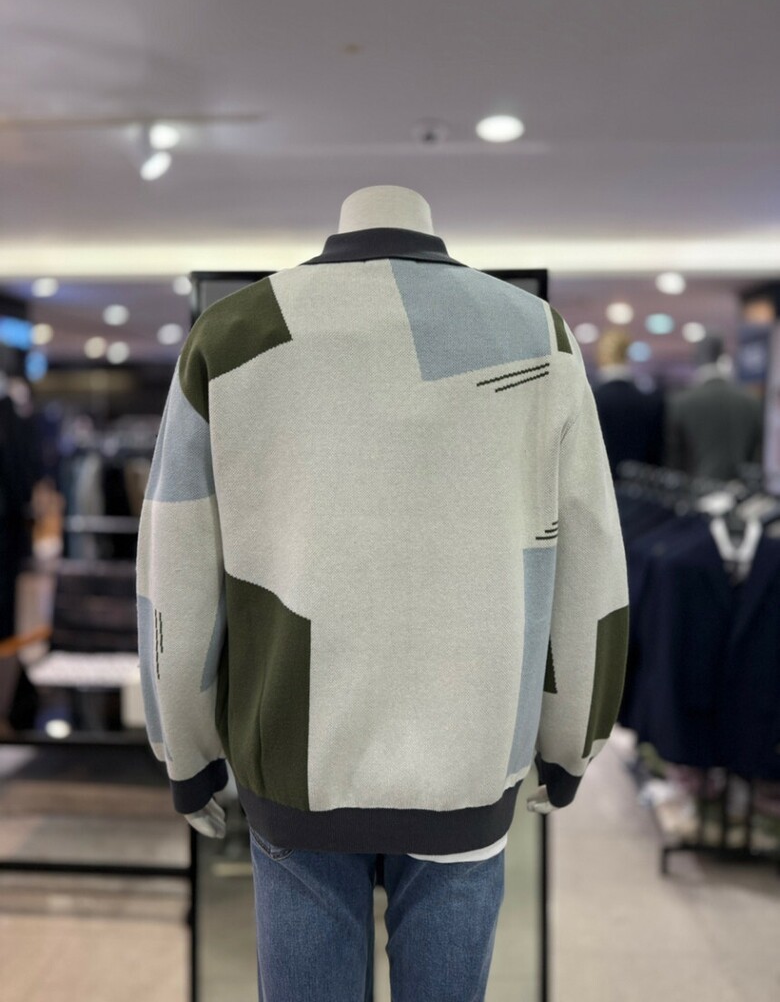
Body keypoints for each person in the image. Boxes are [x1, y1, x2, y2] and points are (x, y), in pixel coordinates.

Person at [136, 186, 629, 1001]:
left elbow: (176, 561)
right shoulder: (532, 332)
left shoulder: (234, 333)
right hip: (470, 751)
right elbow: (591, 560)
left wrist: (184, 752)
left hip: (294, 757)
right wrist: (573, 739)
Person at [665, 331, 763, 480]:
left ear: (696, 357)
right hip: (740, 489)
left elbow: (674, 459)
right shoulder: (750, 402)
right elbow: (756, 456)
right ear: (722, 355)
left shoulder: (680, 403)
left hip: (694, 489)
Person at [592, 329, 664, 479]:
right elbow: (657, 455)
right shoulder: (650, 401)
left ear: (602, 356)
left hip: (600, 488)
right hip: (641, 487)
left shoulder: (591, 400)